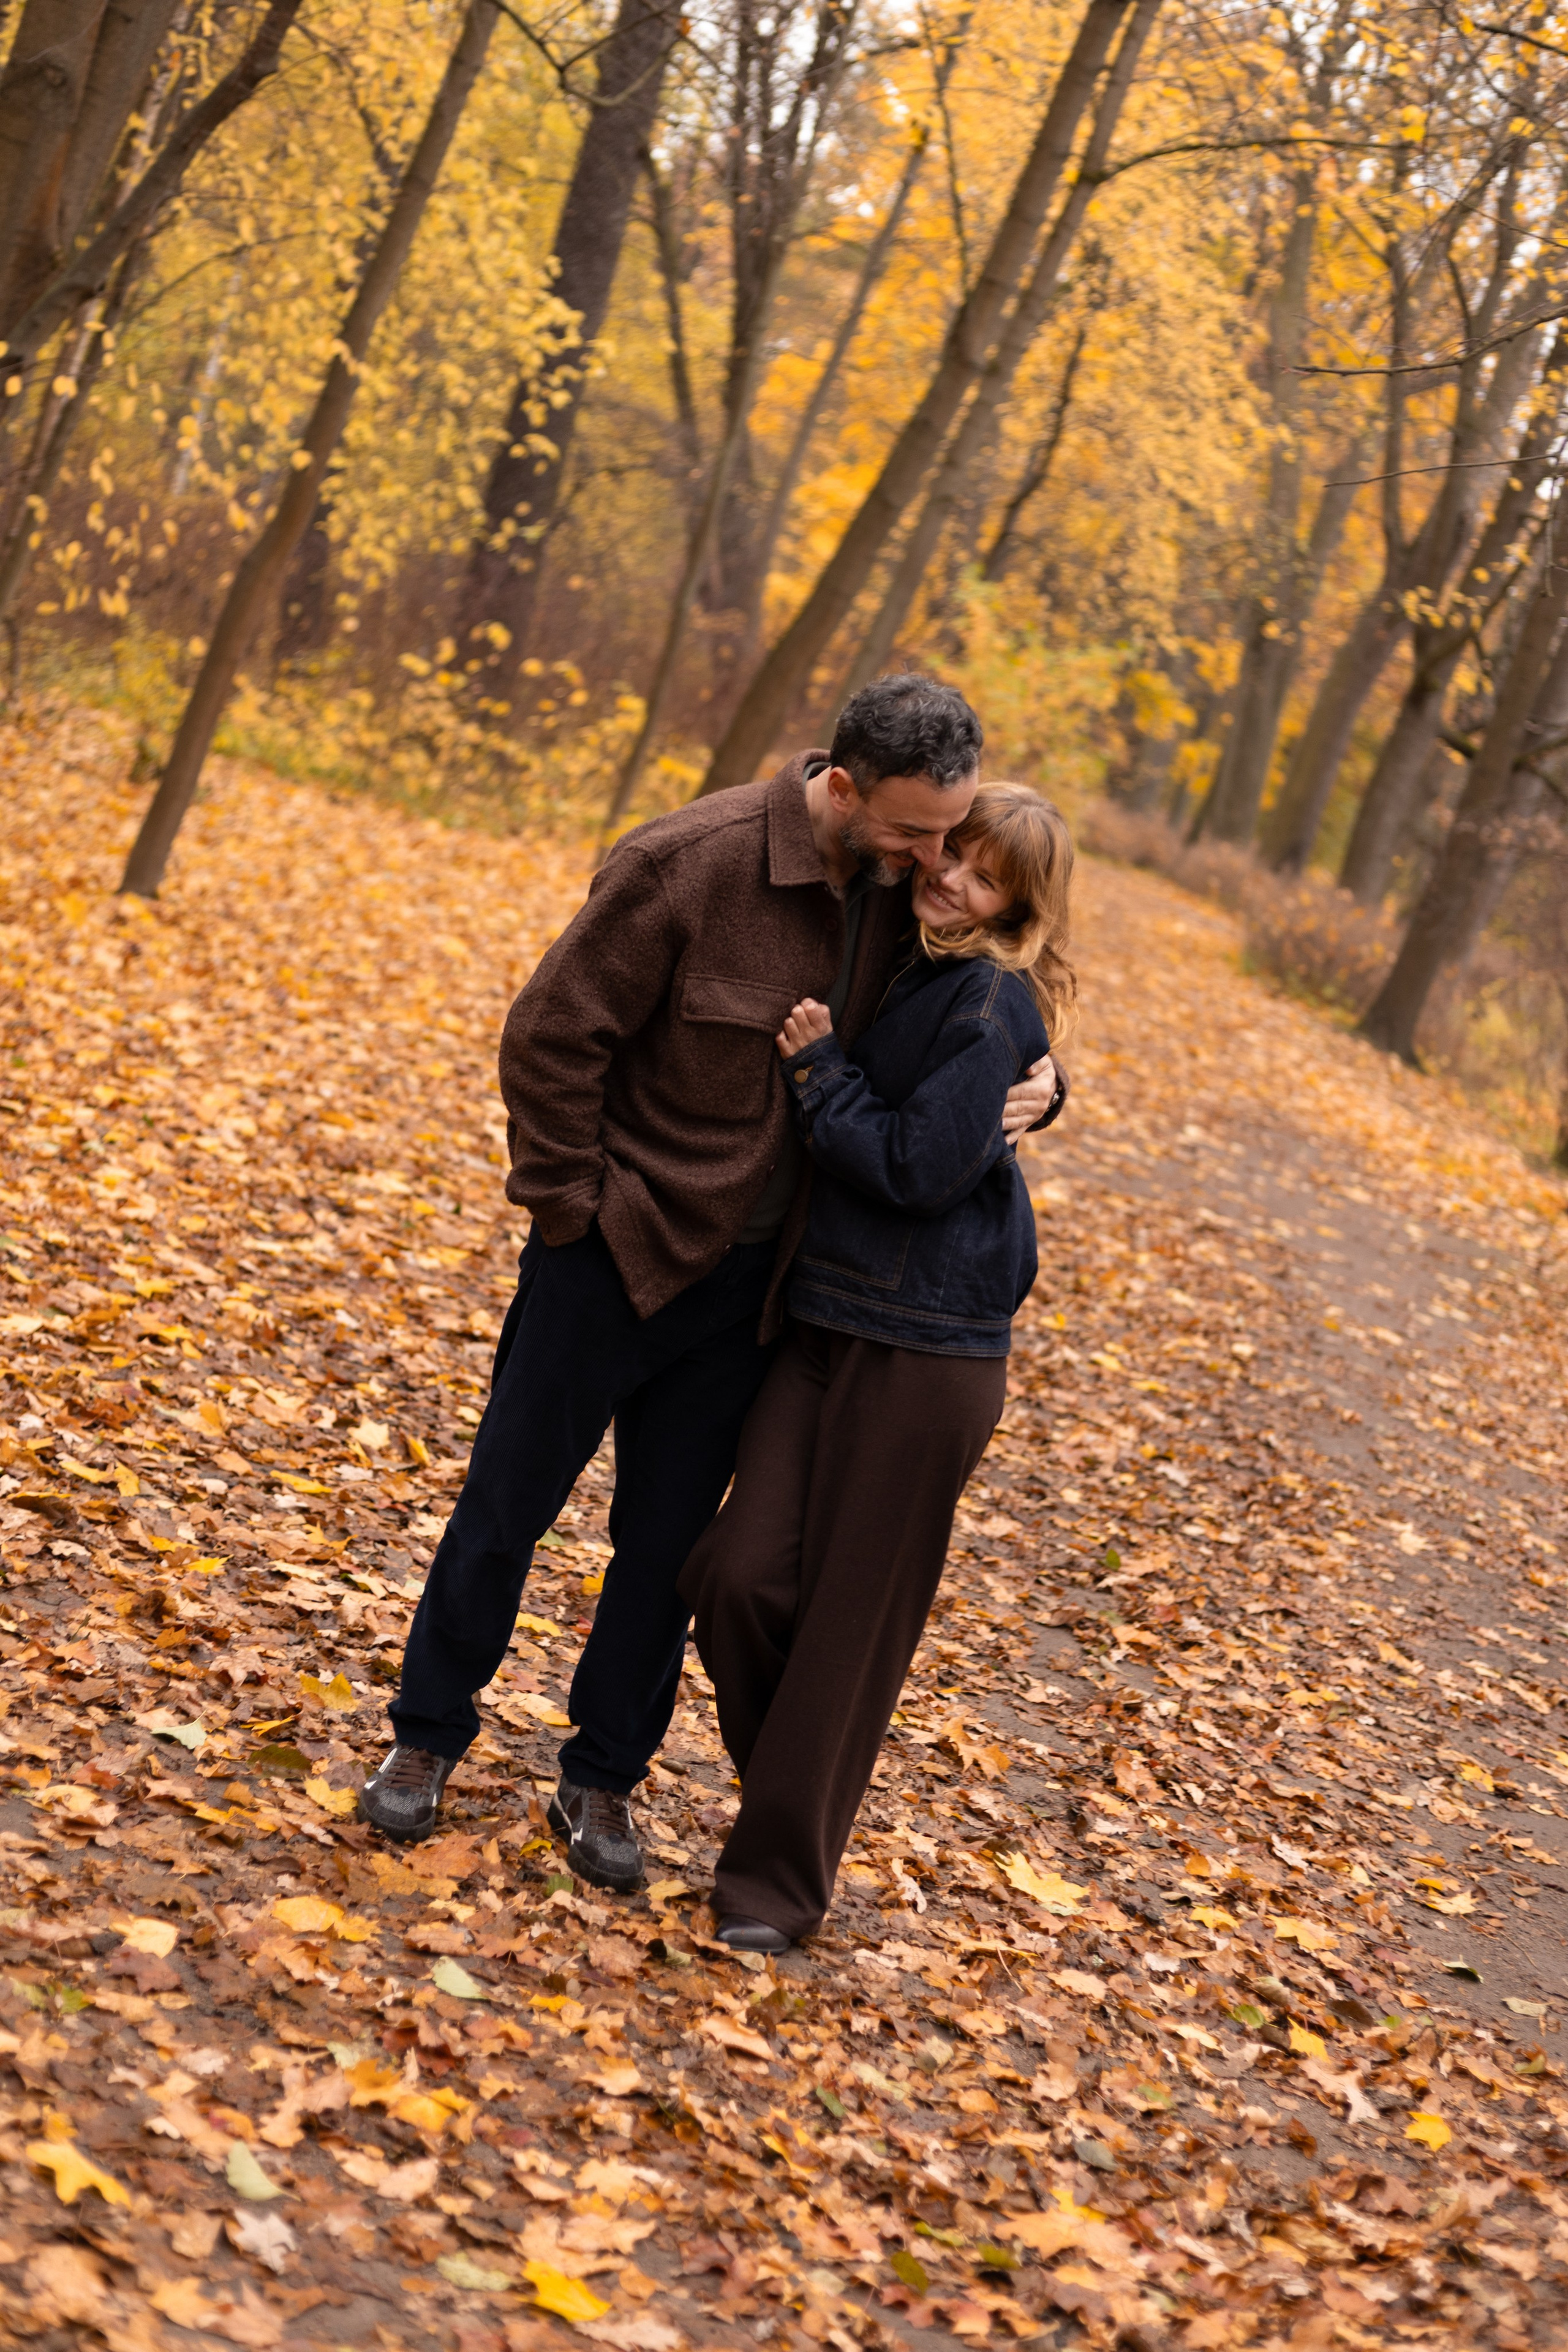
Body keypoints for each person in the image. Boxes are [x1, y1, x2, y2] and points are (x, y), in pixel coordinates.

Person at [358, 678, 1061, 1888]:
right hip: (607, 1262)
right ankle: (424, 1740)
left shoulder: (905, 898)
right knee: (505, 1509)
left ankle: (600, 1783)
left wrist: (1047, 1091)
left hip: (751, 1298)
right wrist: (570, 1212)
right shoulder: (688, 865)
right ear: (842, 786)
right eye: (910, 831)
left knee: (665, 1551)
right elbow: (548, 1037)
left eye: (946, 838)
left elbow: (978, 1023)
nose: (931, 860)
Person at [679, 783, 1076, 1953]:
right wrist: (1050, 1093)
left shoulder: (991, 997)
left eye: (986, 874)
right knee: (737, 1576)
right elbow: (986, 1099)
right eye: (952, 850)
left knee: (849, 1628)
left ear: (1018, 905)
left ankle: (773, 1890)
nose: (951, 875)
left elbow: (916, 1166)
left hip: (929, 1351)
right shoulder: (899, 947)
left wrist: (819, 1076)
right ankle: (803, 1780)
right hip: (823, 1324)